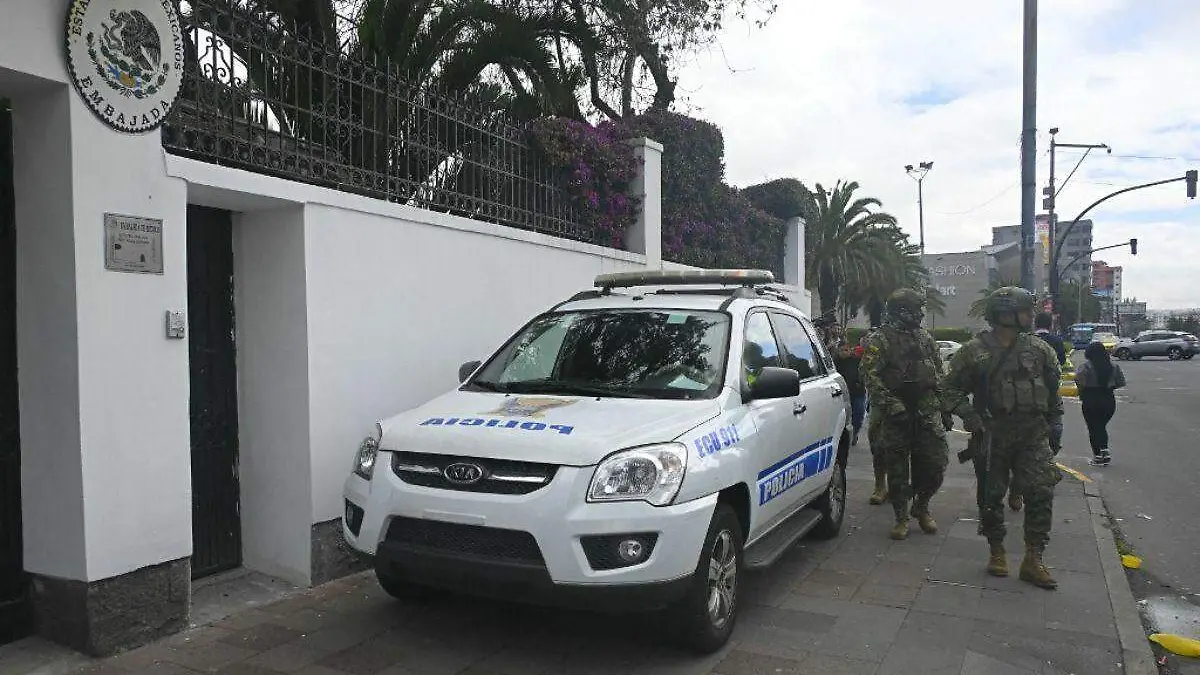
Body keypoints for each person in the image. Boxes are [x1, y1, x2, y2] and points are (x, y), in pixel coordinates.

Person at [941, 286, 1063, 589]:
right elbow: (950, 389)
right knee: (991, 497)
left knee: (1042, 490)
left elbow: (1052, 389)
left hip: (1033, 434)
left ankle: (1033, 558)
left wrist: (1055, 424)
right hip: (993, 434)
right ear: (1007, 314)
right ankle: (997, 550)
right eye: (1025, 310)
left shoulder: (1039, 349)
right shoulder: (974, 351)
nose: (1031, 316)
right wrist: (970, 416)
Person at [861, 289, 950, 539]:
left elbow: (939, 374)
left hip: (926, 410)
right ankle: (901, 516)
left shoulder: (925, 339)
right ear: (902, 311)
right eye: (916, 309)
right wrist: (889, 403)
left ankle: (921, 506)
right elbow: (869, 374)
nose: (921, 314)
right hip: (896, 413)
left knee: (936, 464)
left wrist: (944, 406)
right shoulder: (881, 340)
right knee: (897, 470)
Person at [1008, 312, 1067, 512]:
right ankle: (1018, 487)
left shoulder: (1049, 345)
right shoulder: (1018, 345)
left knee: (1053, 437)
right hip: (1023, 407)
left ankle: (1027, 479)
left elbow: (1058, 370)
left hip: (1048, 404)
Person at [1075, 341, 1126, 466]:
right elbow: (1121, 382)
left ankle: (1098, 455)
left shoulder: (1086, 367)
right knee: (1101, 426)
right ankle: (1104, 450)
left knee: (1093, 427)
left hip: (1091, 399)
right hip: (1108, 399)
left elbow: (1079, 380)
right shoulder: (1113, 367)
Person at [832, 336, 868, 446]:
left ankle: (855, 433)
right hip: (842, 393)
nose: (844, 352)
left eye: (846, 350)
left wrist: (861, 382)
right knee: (842, 417)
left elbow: (864, 373)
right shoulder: (834, 362)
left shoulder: (857, 361)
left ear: (850, 350)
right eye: (841, 350)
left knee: (859, 413)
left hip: (857, 392)